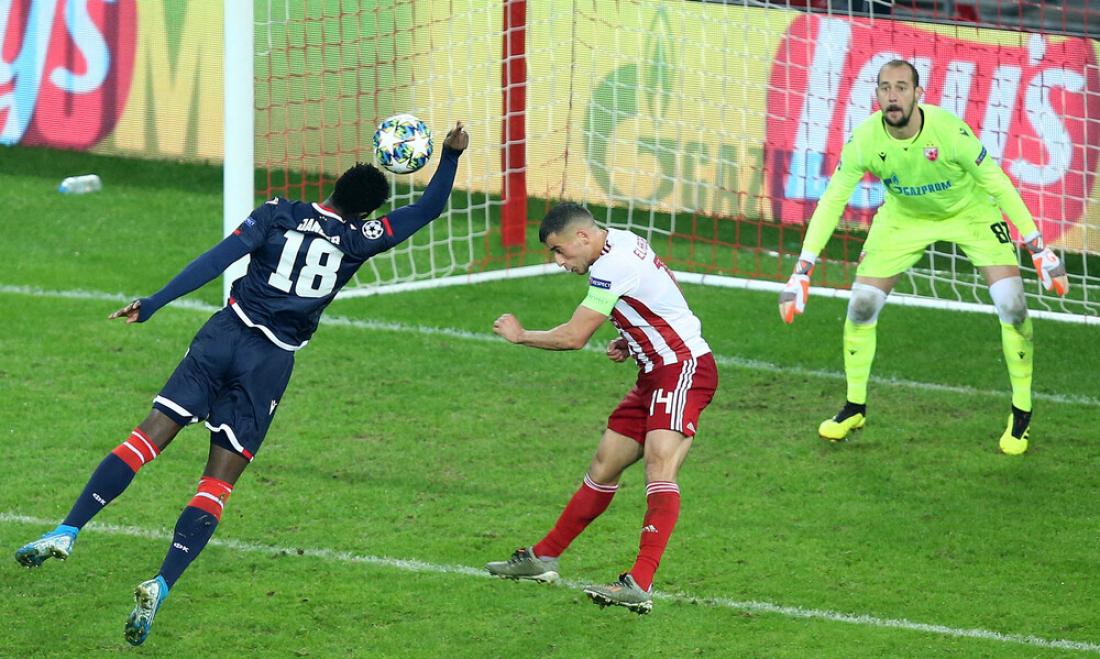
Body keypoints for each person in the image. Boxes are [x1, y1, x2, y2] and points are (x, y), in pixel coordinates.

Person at [15, 122, 469, 645]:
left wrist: (156, 301)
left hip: (223, 336)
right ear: (366, 212)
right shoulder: (359, 239)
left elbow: (217, 260)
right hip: (268, 364)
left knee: (145, 439)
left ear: (333, 188)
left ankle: (67, 531)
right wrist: (450, 156)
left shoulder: (277, 213)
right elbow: (429, 209)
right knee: (216, 482)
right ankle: (160, 583)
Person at [778, 59, 1068, 454]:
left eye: (901, 87)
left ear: (918, 94)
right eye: (885, 88)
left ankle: (1021, 412)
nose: (892, 96)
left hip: (970, 214)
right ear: (877, 95)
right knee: (861, 307)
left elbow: (997, 183)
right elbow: (832, 201)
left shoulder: (949, 131)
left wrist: (1037, 246)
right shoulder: (865, 139)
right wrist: (803, 269)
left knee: (1013, 307)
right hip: (904, 218)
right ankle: (854, 406)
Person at [486, 203, 718, 614]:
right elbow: (665, 290)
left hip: (683, 368)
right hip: (653, 372)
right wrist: (635, 336)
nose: (559, 262)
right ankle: (544, 557)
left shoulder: (612, 266)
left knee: (660, 466)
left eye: (559, 251)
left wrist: (521, 336)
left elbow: (574, 337)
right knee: (604, 465)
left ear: (582, 237)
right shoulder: (625, 241)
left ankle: (640, 582)